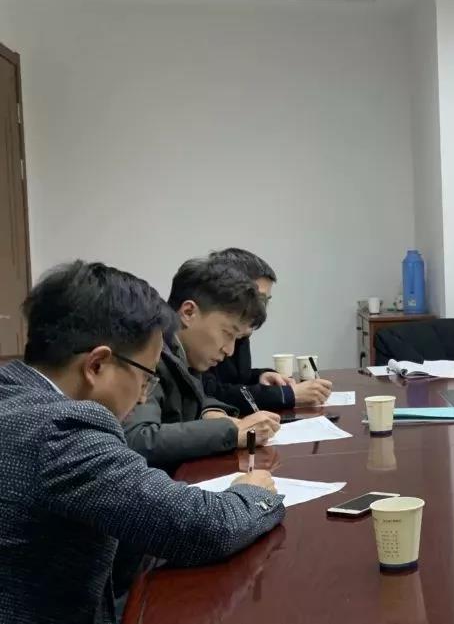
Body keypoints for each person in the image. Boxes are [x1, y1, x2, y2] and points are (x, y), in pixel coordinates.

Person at [0, 261, 284, 624]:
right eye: (146, 378)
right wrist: (254, 492)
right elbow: (204, 528)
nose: (143, 396)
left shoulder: (13, 390)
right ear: (97, 365)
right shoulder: (62, 431)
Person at [124, 258, 281, 472]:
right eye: (228, 333)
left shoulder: (184, 354)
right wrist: (231, 432)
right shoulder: (150, 355)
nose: (229, 350)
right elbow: (139, 439)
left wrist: (210, 411)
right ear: (189, 312)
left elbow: (195, 397)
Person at [203, 248, 332, 413]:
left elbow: (235, 380)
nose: (261, 310)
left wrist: (260, 376)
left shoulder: (241, 334)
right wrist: (288, 395)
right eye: (258, 299)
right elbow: (213, 393)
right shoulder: (208, 335)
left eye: (265, 301)